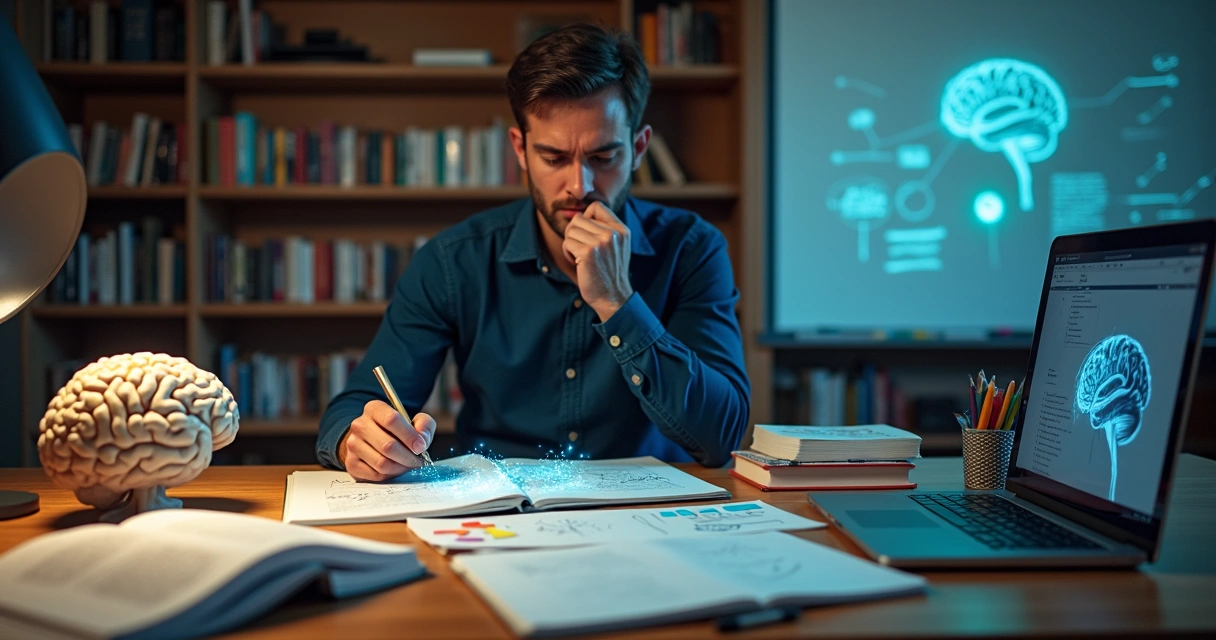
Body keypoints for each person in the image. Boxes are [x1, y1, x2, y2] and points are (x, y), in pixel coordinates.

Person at [316, 23, 749, 481]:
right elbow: (348, 412)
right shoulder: (453, 261)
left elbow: (721, 437)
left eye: (603, 158)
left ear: (638, 149)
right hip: (498, 514)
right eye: (555, 158)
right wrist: (357, 440)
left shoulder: (691, 247)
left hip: (647, 513)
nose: (579, 186)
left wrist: (618, 303)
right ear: (520, 149)